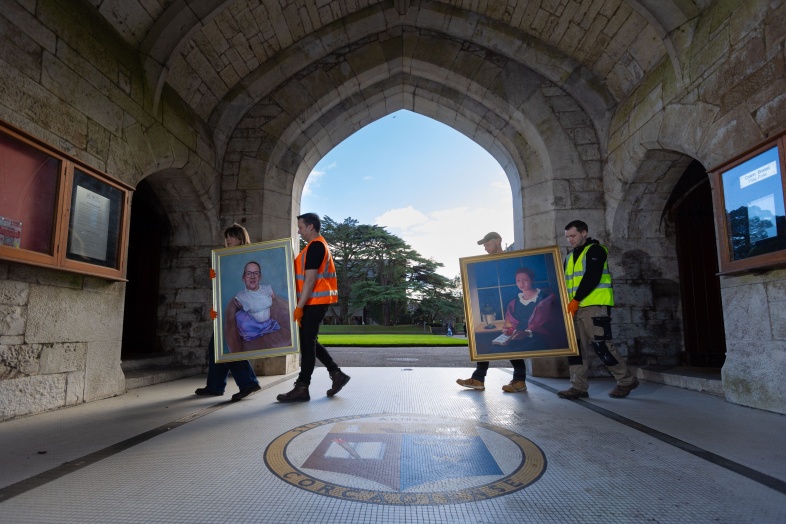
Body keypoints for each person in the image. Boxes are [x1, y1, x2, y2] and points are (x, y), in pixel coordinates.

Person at [558, 220, 639, 399]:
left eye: (573, 236)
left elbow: (593, 276)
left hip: (594, 307)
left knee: (602, 345)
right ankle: (578, 387)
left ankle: (626, 381)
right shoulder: (570, 257)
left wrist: (576, 299)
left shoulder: (596, 250)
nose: (569, 240)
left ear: (584, 232)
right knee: (576, 349)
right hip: (574, 309)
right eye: (567, 237)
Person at [277, 213, 350, 402]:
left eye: (300, 227)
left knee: (307, 343)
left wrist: (299, 307)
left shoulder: (316, 246)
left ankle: (302, 387)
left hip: (315, 302)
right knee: (309, 341)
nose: (299, 231)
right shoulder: (313, 247)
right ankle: (336, 374)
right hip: (314, 302)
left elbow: (309, 281)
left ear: (310, 227)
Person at [195, 224, 262, 402]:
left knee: (227, 346)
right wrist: (215, 275)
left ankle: (248, 382)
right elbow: (225, 285)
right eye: (227, 237)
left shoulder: (245, 258)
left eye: (232, 236)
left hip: (239, 307)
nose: (228, 240)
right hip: (227, 306)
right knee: (216, 347)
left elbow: (241, 284)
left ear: (240, 238)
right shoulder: (226, 258)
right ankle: (215, 386)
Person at [456, 232, 529, 393]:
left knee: (511, 343)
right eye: (484, 245)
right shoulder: (485, 265)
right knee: (483, 343)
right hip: (492, 310)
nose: (485, 248)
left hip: (513, 309)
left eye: (487, 244)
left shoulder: (513, 261)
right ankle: (478, 379)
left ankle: (519, 380)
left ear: (498, 241)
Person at [501, 267, 567, 350]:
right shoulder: (514, 302)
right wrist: (508, 330)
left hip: (539, 338)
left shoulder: (545, 299)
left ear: (531, 280)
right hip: (517, 337)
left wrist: (528, 332)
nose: (521, 283)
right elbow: (510, 322)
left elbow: (550, 324)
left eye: (525, 280)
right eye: (518, 280)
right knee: (499, 349)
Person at [231, 261, 281, 341]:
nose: (252, 277)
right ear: (243, 278)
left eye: (256, 273)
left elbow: (276, 301)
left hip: (268, 325)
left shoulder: (267, 289)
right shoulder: (241, 297)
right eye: (248, 273)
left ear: (260, 277)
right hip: (252, 329)